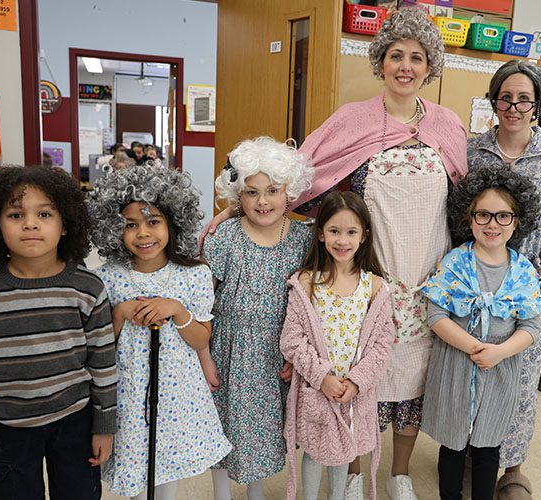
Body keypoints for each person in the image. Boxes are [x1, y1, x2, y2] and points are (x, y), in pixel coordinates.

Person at [203, 9, 467, 498]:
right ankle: (349, 474)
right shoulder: (352, 120)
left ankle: (400, 473)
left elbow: (463, 200)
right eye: (395, 56)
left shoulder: (449, 125)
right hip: (361, 273)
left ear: (430, 66)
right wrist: (233, 209)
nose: (405, 66)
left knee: (410, 376)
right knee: (356, 367)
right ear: (380, 61)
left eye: (416, 57)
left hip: (427, 273)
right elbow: (297, 178)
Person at [0, 165, 117, 499]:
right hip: (7, 426)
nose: (30, 223)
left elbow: (103, 364)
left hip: (74, 421)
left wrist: (105, 426)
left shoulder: (88, 287)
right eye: (16, 214)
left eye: (45, 213)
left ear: (65, 225)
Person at [466, 59, 541, 500]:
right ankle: (470, 460)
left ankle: (511, 469)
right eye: (505, 98)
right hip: (472, 292)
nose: (513, 107)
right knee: (473, 375)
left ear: (537, 105)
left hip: (528, 298)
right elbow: (454, 220)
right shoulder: (471, 151)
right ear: (493, 101)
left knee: (517, 387)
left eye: (524, 99)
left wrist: (533, 275)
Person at [88, 164, 231, 500]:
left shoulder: (193, 275)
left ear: (173, 223)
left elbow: (200, 338)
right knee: (136, 470)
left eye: (153, 222)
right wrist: (121, 313)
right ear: (114, 229)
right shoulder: (107, 277)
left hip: (178, 393)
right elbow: (98, 344)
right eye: (130, 225)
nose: (143, 233)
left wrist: (177, 310)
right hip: (129, 390)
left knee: (168, 468)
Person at [420, 166, 541, 500]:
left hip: (500, 367)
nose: (492, 224)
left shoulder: (523, 271)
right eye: (483, 214)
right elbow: (435, 314)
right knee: (452, 444)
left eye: (503, 216)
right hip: (455, 362)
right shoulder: (454, 263)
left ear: (517, 220)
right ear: (469, 218)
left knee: (488, 445)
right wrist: (474, 347)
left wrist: (498, 352)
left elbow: (531, 326)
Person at [199, 137, 314, 500]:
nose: (262, 201)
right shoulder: (225, 237)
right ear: (238, 196)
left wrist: (298, 355)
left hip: (275, 352)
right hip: (228, 349)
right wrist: (203, 355)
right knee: (223, 424)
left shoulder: (303, 239)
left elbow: (312, 305)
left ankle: (256, 492)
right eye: (251, 192)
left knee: (263, 430)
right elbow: (201, 300)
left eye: (273, 190)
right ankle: (221, 493)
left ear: (289, 191)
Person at [280, 191, 395, 500]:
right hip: (317, 388)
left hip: (354, 393)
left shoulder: (375, 287)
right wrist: (322, 377)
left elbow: (383, 344)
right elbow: (292, 339)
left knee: (344, 452)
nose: (342, 240)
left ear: (364, 235)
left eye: (351, 232)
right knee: (317, 452)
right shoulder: (306, 283)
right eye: (334, 230)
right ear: (320, 234)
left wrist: (357, 382)